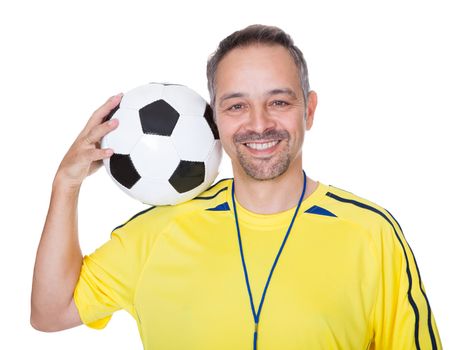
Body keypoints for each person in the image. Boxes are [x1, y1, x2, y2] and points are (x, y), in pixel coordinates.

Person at [31, 24, 442, 349]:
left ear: (309, 111)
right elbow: (51, 313)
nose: (259, 123)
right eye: (236, 105)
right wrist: (65, 184)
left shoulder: (372, 234)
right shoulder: (159, 230)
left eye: (279, 102)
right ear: (215, 120)